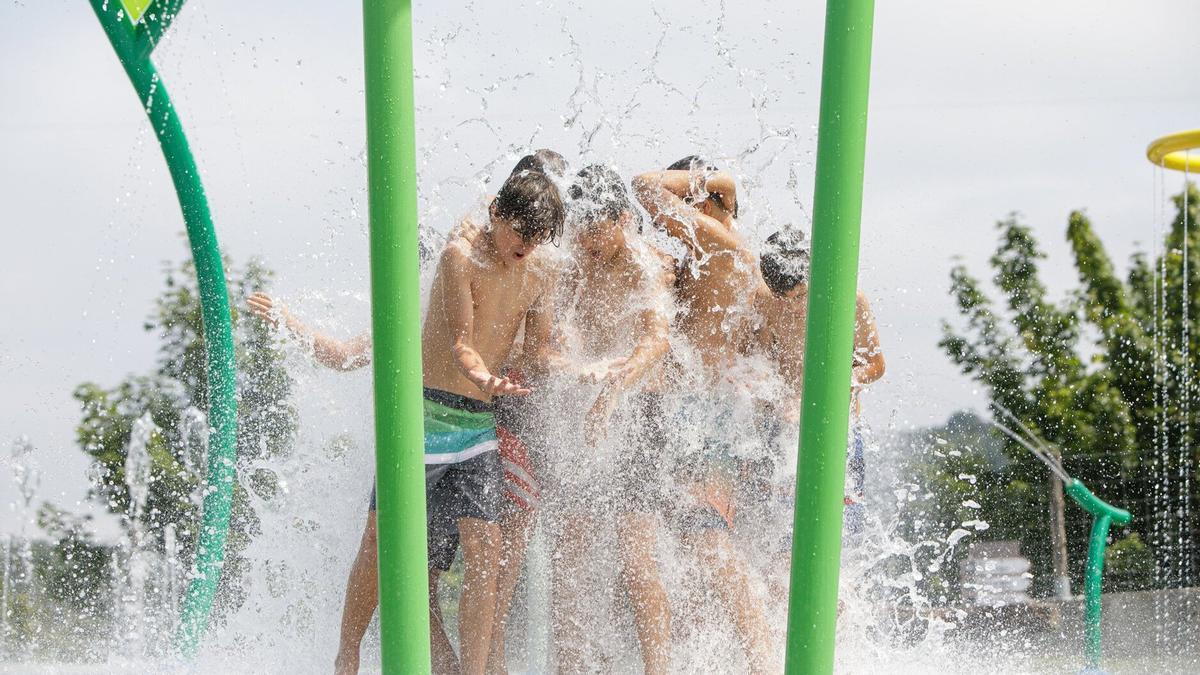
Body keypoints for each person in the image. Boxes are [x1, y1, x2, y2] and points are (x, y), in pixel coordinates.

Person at [249, 161, 565, 675]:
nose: (527, 244)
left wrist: (584, 368)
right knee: (379, 543)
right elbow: (349, 353)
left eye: (538, 237)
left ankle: (475, 670)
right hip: (421, 423)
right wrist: (290, 321)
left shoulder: (528, 273)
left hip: (477, 426)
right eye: (521, 232)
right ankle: (346, 656)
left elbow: (535, 352)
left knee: (486, 548)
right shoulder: (432, 287)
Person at [632, 156, 773, 674]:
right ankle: (730, 661)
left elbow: (645, 186)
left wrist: (716, 181)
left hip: (697, 418)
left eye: (687, 202)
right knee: (697, 548)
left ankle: (761, 663)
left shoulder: (720, 243)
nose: (674, 216)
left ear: (708, 202)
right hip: (714, 417)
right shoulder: (734, 257)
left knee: (705, 543)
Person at [534, 164, 675, 674]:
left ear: (621, 219)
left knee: (636, 558)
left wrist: (616, 383)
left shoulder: (645, 266)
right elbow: (544, 348)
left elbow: (656, 339)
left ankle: (656, 669)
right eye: (581, 232)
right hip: (580, 408)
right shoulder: (569, 265)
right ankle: (569, 667)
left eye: (597, 232)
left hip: (641, 411)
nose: (588, 244)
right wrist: (578, 370)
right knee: (569, 548)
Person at [755, 228, 886, 540]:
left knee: (837, 541)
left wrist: (830, 391)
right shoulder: (765, 303)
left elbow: (876, 366)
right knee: (780, 541)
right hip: (781, 429)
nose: (793, 307)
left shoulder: (849, 301)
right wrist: (769, 395)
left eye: (800, 296)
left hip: (837, 429)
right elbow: (761, 365)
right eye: (782, 299)